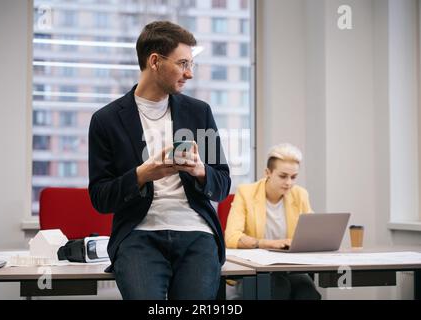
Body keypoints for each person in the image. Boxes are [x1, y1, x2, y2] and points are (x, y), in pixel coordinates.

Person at [88, 21, 231, 300]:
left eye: (192, 65)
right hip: (138, 236)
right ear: (155, 61)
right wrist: (141, 175)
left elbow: (223, 185)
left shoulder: (198, 113)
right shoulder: (106, 120)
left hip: (196, 233)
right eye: (182, 63)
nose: (189, 73)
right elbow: (100, 198)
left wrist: (201, 171)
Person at [225, 143, 321, 300]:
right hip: (257, 269)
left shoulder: (300, 195)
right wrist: (267, 243)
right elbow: (231, 237)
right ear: (267, 172)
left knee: (308, 292)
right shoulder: (246, 193)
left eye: (294, 177)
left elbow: (311, 233)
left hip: (290, 267)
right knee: (278, 288)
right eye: (283, 176)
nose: (289, 182)